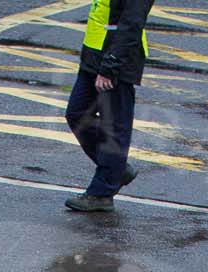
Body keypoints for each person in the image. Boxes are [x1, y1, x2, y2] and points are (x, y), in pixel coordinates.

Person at [64, 0, 154, 213]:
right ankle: (116, 169)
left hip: (116, 59)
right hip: (94, 53)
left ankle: (101, 193)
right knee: (77, 114)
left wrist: (111, 65)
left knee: (114, 127)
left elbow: (132, 22)